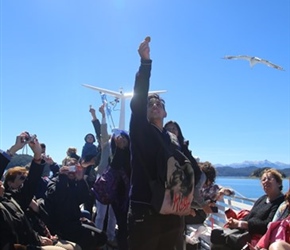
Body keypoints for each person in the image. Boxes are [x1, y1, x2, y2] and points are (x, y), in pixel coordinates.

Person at [128, 37, 186, 250]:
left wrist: (190, 202)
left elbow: (189, 170)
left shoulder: (172, 140)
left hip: (171, 212)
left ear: (165, 112)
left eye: (159, 103)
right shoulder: (140, 130)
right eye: (150, 103)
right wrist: (145, 64)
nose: (154, 105)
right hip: (146, 210)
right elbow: (138, 99)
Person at [0, 132, 72, 249]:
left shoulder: (11, 198)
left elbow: (31, 184)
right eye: (21, 178)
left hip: (35, 240)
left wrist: (37, 155)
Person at [44, 158, 107, 250]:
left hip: (75, 222)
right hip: (59, 225)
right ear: (64, 167)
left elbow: (85, 198)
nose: (72, 171)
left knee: (102, 236)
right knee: (89, 239)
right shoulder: (54, 182)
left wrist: (81, 180)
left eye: (75, 168)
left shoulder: (75, 183)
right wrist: (63, 177)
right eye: (70, 167)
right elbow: (60, 198)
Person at [224, 168, 285, 242]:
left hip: (260, 239)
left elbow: (268, 225)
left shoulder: (282, 202)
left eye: (269, 179)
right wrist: (235, 222)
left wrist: (241, 224)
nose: (265, 181)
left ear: (279, 183)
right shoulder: (262, 198)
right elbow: (250, 216)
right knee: (218, 235)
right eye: (263, 179)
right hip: (246, 232)